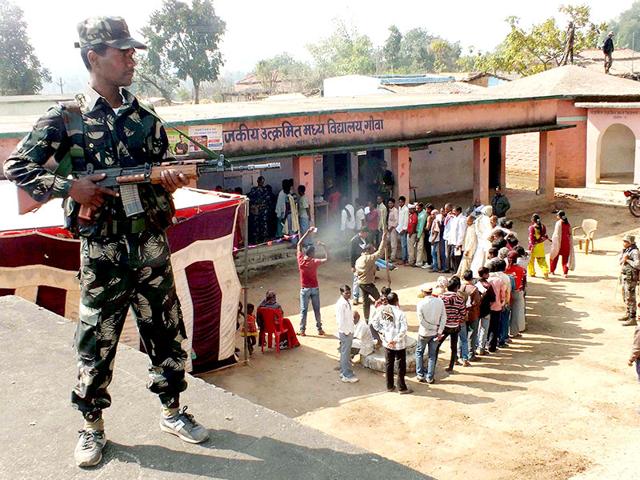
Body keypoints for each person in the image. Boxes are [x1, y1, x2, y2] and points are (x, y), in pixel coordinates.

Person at [3, 16, 211, 467]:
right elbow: (19, 167)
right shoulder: (67, 118)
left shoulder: (146, 119)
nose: (132, 57)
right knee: (96, 340)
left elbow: (160, 172)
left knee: (167, 331)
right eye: (123, 51)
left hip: (151, 247)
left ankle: (173, 410)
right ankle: (91, 427)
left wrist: (169, 181)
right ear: (93, 56)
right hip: (102, 252)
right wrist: (70, 189)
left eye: (133, 50)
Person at [370, 292, 412, 394]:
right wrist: (395, 340)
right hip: (399, 344)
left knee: (389, 364)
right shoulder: (400, 313)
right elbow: (404, 329)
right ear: (397, 301)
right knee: (400, 366)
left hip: (387, 342)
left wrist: (382, 332)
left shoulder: (381, 310)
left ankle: (389, 386)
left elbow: (374, 323)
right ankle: (402, 387)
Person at [296, 228, 328, 336]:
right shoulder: (314, 261)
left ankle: (302, 329)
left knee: (303, 310)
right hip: (314, 288)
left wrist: (307, 233)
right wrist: (325, 247)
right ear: (312, 253)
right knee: (316, 310)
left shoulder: (300, 260)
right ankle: (319, 329)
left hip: (305, 289)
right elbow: (327, 259)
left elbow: (299, 244)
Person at [416, 284, 447, 384]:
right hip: (435, 333)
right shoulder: (439, 302)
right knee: (432, 356)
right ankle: (430, 377)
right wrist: (439, 331)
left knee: (419, 353)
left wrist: (434, 328)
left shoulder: (421, 303)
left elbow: (422, 321)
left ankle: (420, 375)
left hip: (424, 333)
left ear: (424, 292)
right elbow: (444, 318)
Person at [355, 231, 388, 321]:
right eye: (373, 249)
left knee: (365, 302)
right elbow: (380, 252)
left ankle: (366, 319)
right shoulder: (369, 258)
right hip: (368, 283)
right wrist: (383, 240)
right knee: (380, 299)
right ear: (368, 250)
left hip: (361, 283)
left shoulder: (359, 259)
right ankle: (385, 317)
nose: (374, 251)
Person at [335, 285, 359, 383]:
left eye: (349, 292)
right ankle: (346, 374)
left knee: (345, 353)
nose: (348, 295)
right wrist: (346, 332)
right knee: (345, 354)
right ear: (341, 293)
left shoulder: (347, 302)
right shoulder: (341, 304)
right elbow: (340, 320)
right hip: (345, 332)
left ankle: (343, 371)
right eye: (346, 293)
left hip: (348, 330)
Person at [459, 270, 482, 362]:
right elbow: (477, 302)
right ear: (472, 278)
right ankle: (471, 354)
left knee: (462, 336)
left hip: (461, 314)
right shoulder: (474, 289)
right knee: (472, 335)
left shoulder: (459, 288)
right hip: (472, 314)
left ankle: (461, 354)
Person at [619, 234, 640, 326]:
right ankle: (628, 313)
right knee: (625, 295)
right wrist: (623, 259)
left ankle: (632, 317)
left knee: (630, 297)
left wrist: (627, 260)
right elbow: (621, 261)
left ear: (630, 242)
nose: (624, 243)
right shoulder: (626, 250)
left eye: (626, 241)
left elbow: (637, 264)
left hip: (631, 277)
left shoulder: (634, 251)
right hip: (625, 276)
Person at [476, 267, 496, 355]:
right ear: (484, 274)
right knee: (484, 330)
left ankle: (474, 347)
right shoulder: (488, 286)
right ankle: (481, 348)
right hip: (486, 310)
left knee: (475, 330)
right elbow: (493, 299)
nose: (488, 275)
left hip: (476, 310)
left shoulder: (475, 283)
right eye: (487, 273)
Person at [487, 262, 507, 352]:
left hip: (486, 307)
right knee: (494, 327)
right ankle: (492, 346)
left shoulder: (486, 280)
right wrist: (503, 303)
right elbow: (503, 294)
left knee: (485, 326)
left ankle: (483, 345)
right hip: (497, 306)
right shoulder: (499, 280)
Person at [506, 251, 526, 335]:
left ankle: (504, 333)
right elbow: (523, 282)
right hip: (516, 292)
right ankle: (514, 332)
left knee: (505, 315)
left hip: (506, 292)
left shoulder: (505, 269)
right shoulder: (521, 269)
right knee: (515, 314)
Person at [550, 210, 575, 278]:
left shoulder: (558, 223)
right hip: (566, 243)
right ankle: (565, 273)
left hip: (559, 243)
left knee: (554, 257)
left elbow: (556, 234)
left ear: (559, 216)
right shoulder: (568, 223)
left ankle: (552, 271)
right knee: (565, 259)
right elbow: (570, 233)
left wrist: (553, 242)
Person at [247, 176, 272, 244]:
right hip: (256, 210)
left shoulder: (265, 190)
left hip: (263, 211)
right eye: (260, 181)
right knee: (256, 225)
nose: (261, 183)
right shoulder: (253, 189)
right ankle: (256, 240)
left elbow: (268, 200)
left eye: (262, 181)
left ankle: (264, 239)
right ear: (258, 181)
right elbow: (250, 199)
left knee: (264, 225)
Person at [471, 206, 493, 275]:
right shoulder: (486, 219)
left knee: (479, 256)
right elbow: (489, 230)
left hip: (480, 240)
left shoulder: (479, 218)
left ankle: (476, 271)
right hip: (486, 240)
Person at [349, 228, 369, 305]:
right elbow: (352, 254)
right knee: (356, 281)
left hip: (365, 263)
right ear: (361, 232)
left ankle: (365, 297)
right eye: (366, 233)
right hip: (357, 263)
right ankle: (355, 297)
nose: (367, 235)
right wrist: (352, 266)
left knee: (365, 280)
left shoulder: (366, 239)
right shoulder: (354, 240)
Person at [528, 213, 550, 279]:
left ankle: (532, 273)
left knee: (531, 261)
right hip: (540, 246)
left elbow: (532, 238)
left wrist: (532, 246)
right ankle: (545, 272)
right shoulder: (543, 226)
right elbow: (545, 236)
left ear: (532, 220)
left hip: (533, 246)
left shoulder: (531, 228)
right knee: (542, 261)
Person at [396, 196, 409, 264]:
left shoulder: (406, 209)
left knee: (404, 245)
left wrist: (404, 229)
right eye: (399, 202)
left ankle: (404, 259)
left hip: (403, 229)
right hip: (399, 228)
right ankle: (404, 257)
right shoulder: (400, 208)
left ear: (404, 202)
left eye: (401, 202)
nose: (400, 203)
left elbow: (406, 220)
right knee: (402, 245)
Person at [415, 202, 428, 267]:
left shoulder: (423, 215)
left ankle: (419, 262)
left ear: (421, 208)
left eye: (418, 208)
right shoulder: (419, 213)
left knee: (420, 248)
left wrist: (418, 236)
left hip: (420, 232)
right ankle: (422, 260)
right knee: (420, 248)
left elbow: (421, 226)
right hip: (418, 232)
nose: (416, 209)